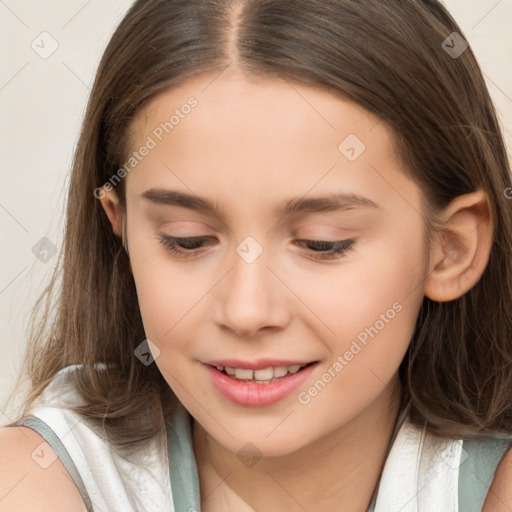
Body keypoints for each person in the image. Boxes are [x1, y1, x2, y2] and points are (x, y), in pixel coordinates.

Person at [1, 0, 512, 510]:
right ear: (123, 228)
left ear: (450, 250)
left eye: (322, 243)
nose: (247, 311)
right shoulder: (30, 484)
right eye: (187, 240)